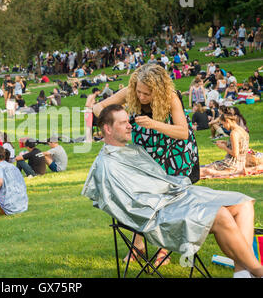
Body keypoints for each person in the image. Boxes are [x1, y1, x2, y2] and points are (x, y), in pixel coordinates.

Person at [83, 104, 262, 278]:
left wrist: (174, 191)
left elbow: (159, 181)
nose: (130, 125)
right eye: (123, 123)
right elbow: (129, 206)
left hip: (176, 196)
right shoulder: (107, 165)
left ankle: (243, 272)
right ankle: (258, 270)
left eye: (128, 121)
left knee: (243, 203)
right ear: (107, 128)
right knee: (220, 214)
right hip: (158, 215)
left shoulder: (133, 150)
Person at [93, 64, 200, 265]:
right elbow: (98, 108)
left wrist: (154, 124)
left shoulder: (171, 97)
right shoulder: (131, 91)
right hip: (146, 154)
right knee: (136, 196)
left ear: (158, 91)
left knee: (166, 201)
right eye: (139, 92)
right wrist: (115, 121)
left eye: (147, 94)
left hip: (173, 153)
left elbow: (182, 132)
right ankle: (138, 244)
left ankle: (163, 249)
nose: (141, 97)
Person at [201, 113, 249, 179]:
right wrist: (226, 142)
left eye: (223, 124)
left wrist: (223, 147)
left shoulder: (234, 133)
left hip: (232, 165)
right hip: (241, 163)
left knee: (205, 170)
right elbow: (240, 145)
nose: (223, 126)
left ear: (227, 121)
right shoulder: (242, 130)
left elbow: (235, 154)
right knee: (208, 166)